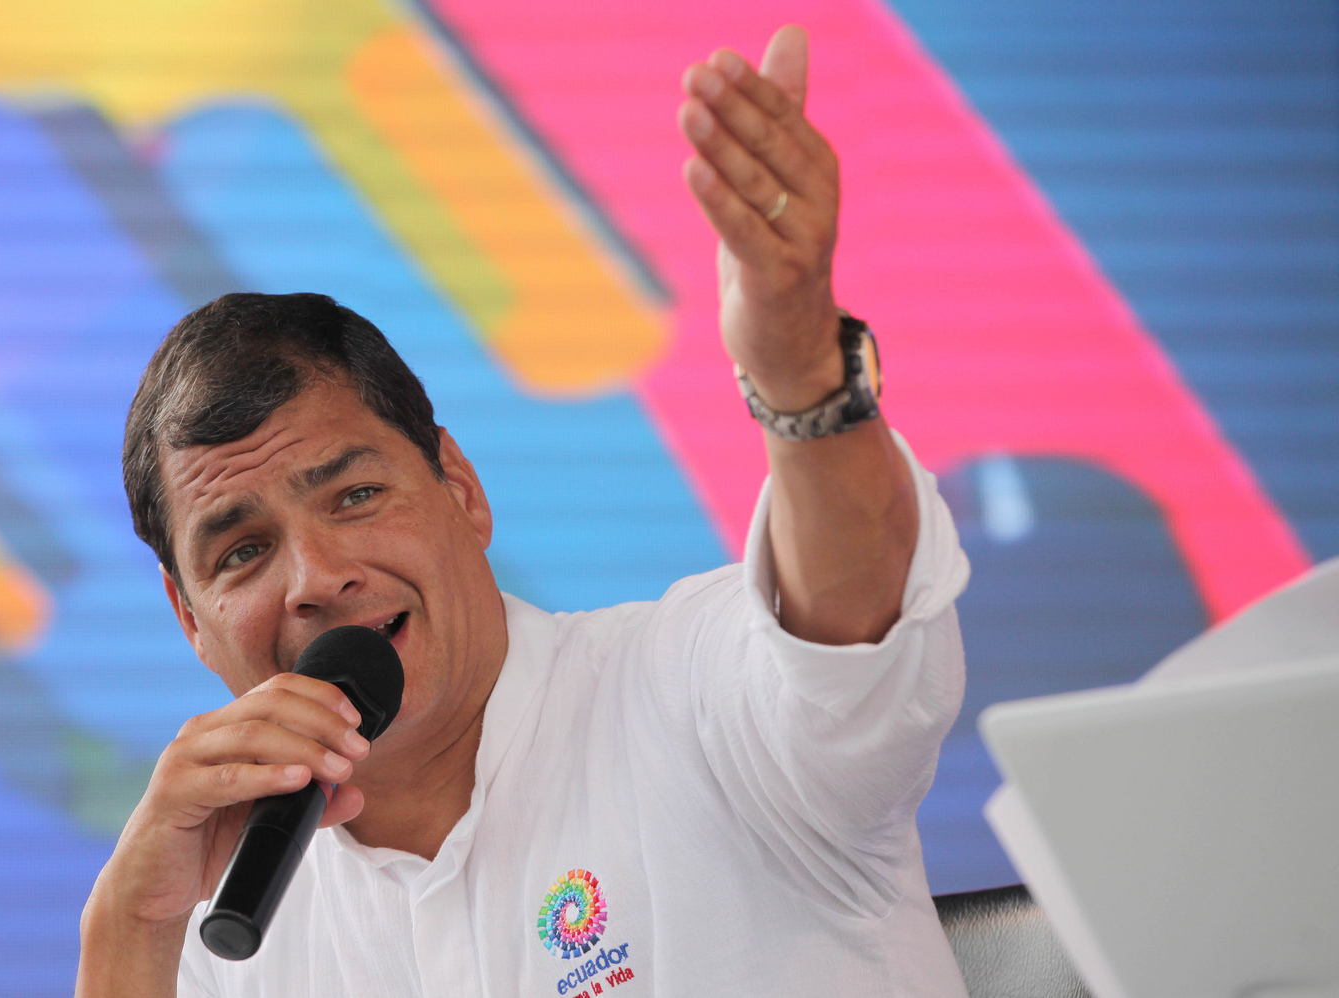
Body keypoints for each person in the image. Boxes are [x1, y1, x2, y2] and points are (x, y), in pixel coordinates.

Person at [76, 24, 971, 997]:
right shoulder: (214, 923)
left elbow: (852, 632)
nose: (317, 577)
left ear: (461, 489)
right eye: (244, 552)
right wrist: (130, 927)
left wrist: (798, 368)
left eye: (356, 495)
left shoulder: (698, 693)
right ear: (189, 618)